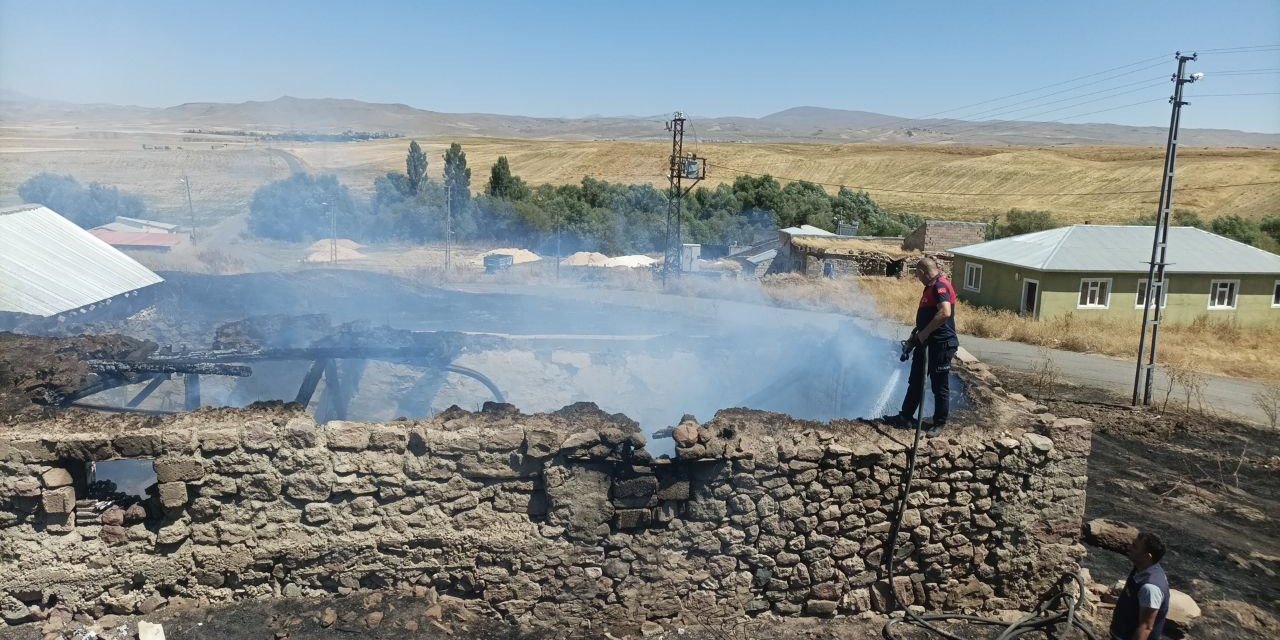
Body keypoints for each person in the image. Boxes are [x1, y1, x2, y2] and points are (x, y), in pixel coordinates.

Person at [881, 257, 958, 436]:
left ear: (923, 272)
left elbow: (945, 312)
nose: (918, 278)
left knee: (940, 385)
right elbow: (928, 317)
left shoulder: (941, 286)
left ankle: (939, 423)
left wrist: (924, 334)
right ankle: (905, 416)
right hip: (926, 344)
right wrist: (915, 337)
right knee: (915, 381)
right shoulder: (930, 287)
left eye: (918, 275)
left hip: (941, 345)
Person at [1110, 531, 1170, 640]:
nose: (1129, 547)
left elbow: (1146, 627)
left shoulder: (1150, 588)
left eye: (1135, 547)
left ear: (1147, 556)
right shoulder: (1140, 569)